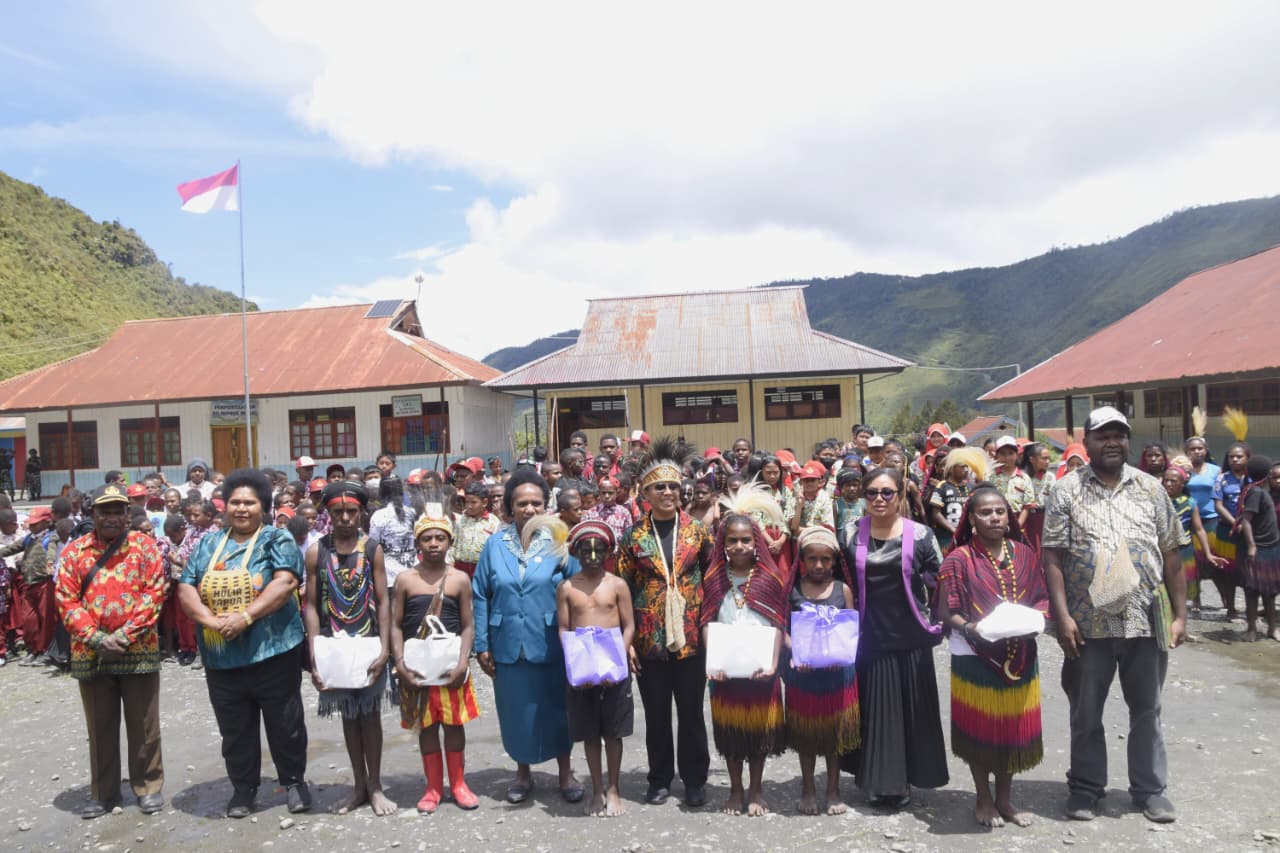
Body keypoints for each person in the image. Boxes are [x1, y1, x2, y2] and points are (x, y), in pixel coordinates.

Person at [1042, 406, 1184, 824]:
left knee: (1147, 709)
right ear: (1086, 442)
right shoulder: (1066, 490)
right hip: (1087, 623)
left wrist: (1181, 617)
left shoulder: (1151, 488)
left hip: (1146, 619)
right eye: (1102, 435)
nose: (1111, 442)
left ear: (1128, 440)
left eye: (1119, 435)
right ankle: (1086, 789)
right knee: (1086, 711)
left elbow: (1173, 553)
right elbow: (1052, 555)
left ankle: (1150, 790)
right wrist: (1062, 615)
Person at [178, 468, 312, 819]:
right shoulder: (208, 542)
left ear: (263, 506)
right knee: (234, 726)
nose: (241, 509)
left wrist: (246, 617)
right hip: (221, 653)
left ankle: (295, 782)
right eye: (235, 502)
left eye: (249, 503)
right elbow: (187, 586)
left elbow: (284, 583)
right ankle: (243, 788)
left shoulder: (276, 539)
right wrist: (209, 621)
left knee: (285, 721)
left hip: (273, 651)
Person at [938, 486, 1049, 828]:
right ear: (971, 519)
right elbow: (946, 610)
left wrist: (1038, 620)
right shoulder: (958, 559)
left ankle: (1005, 799)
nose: (994, 517)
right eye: (985, 512)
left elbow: (1040, 598)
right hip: (975, 653)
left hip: (1019, 652)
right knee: (981, 727)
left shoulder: (1024, 553)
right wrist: (971, 629)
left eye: (1000, 511)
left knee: (1011, 728)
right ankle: (983, 798)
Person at [472, 468, 583, 804]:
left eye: (536, 503)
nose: (530, 509)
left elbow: (577, 588)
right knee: (515, 709)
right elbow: (480, 593)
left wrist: (578, 640)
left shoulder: (559, 540)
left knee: (557, 708)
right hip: (507, 641)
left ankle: (566, 773)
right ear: (510, 507)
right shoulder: (494, 544)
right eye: (522, 503)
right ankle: (522, 774)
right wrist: (481, 643)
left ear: (545, 506)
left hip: (551, 640)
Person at [55, 484, 166, 819]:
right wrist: (95, 637)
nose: (113, 517)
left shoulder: (146, 548)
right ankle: (103, 793)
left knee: (144, 725)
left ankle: (148, 787)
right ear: (92, 514)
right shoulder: (74, 553)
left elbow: (155, 592)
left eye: (119, 511)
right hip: (92, 654)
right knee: (100, 727)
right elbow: (65, 598)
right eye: (105, 511)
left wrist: (125, 634)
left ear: (127, 515)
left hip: (139, 649)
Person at [840, 467, 948, 808]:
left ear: (900, 494)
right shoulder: (849, 533)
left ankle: (908, 778)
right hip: (869, 637)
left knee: (910, 710)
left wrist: (942, 620)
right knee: (876, 710)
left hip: (911, 635)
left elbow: (941, 580)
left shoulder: (921, 536)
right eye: (871, 492)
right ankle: (879, 780)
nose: (879, 499)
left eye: (887, 492)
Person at [616, 438, 714, 807]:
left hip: (691, 638)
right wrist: (625, 640)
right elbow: (622, 588)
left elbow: (712, 578)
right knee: (655, 716)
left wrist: (711, 628)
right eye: (661, 487)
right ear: (646, 493)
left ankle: (694, 780)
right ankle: (659, 779)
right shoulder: (634, 536)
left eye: (674, 486)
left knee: (691, 713)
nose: (669, 492)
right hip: (648, 640)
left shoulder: (698, 532)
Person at [304, 481, 394, 816]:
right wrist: (314, 653)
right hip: (333, 646)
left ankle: (376, 786)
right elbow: (311, 605)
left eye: (351, 511)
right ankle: (358, 786)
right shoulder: (317, 552)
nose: (344, 518)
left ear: (362, 512)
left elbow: (384, 601)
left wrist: (385, 649)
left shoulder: (372, 549)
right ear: (328, 513)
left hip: (368, 642)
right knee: (348, 714)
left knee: (370, 715)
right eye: (337, 511)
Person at [699, 492, 787, 817]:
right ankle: (735, 790)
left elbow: (778, 624)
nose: (739, 546)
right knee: (731, 731)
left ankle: (756, 789)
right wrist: (714, 662)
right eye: (732, 540)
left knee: (758, 733)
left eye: (745, 540)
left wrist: (774, 663)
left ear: (756, 542)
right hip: (724, 670)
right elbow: (706, 621)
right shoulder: (713, 578)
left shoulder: (770, 578)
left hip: (760, 669)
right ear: (723, 542)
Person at [393, 513, 480, 813]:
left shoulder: (459, 579)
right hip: (416, 667)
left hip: (450, 666)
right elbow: (394, 625)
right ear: (417, 542)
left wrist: (462, 663)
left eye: (439, 538)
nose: (433, 544)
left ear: (449, 542)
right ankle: (432, 787)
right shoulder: (406, 579)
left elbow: (468, 625)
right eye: (427, 538)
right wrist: (400, 663)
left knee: (454, 725)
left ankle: (458, 784)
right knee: (426, 727)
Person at [557, 520, 636, 817]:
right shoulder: (567, 587)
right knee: (590, 732)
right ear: (575, 552)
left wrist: (615, 659)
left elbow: (628, 626)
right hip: (583, 670)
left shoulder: (617, 585)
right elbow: (564, 629)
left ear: (608, 551)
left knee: (613, 731)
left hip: (612, 667)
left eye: (598, 549)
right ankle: (596, 790)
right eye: (585, 550)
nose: (592, 555)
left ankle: (613, 788)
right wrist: (579, 667)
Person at [786, 526, 859, 816]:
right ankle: (808, 788)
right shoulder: (793, 590)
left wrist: (841, 656)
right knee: (806, 733)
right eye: (812, 558)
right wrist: (796, 652)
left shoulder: (843, 590)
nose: (819, 565)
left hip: (837, 675)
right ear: (802, 559)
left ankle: (833, 789)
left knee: (834, 734)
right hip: (803, 674)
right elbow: (784, 630)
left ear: (835, 561)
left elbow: (852, 629)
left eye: (826, 559)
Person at [1163, 463, 1223, 616]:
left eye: (1173, 481)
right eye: (1166, 480)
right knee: (1164, 590)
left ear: (1182, 484)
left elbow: (1199, 529)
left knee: (1181, 591)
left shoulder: (1190, 503)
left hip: (1184, 551)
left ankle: (1180, 624)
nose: (1168, 484)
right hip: (1162, 551)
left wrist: (1208, 553)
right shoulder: (1158, 501)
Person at [1, 505, 57, 665]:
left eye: (36, 523)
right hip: (29, 583)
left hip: (44, 583)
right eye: (31, 523)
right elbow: (11, 549)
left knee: (46, 619)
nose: (32, 526)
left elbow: (52, 551)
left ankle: (44, 650)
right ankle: (33, 648)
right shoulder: (28, 538)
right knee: (29, 619)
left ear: (46, 522)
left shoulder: (50, 537)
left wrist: (50, 562)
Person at [1237, 455, 1280, 642]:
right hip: (1259, 548)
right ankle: (1252, 628)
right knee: (1252, 590)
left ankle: (1272, 628)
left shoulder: (1262, 491)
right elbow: (1246, 520)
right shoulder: (1255, 492)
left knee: (1270, 592)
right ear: (1267, 473)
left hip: (1271, 547)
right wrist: (1252, 545)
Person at [1210, 441, 1251, 620]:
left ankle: (1251, 611)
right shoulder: (1222, 478)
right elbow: (1218, 505)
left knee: (1249, 571)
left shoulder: (1254, 479)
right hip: (1227, 531)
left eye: (1239, 456)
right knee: (1228, 572)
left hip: (1250, 532)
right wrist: (1236, 523)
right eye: (1231, 457)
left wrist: (1247, 525)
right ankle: (1231, 608)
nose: (1235, 459)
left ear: (1247, 458)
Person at [1183, 436, 1222, 613]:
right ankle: (1196, 599)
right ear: (1187, 452)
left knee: (1213, 558)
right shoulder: (1183, 471)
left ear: (1205, 450)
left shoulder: (1215, 470)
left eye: (1200, 448)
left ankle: (1226, 601)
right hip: (1188, 519)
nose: (1196, 451)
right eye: (1192, 449)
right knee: (1194, 561)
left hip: (1211, 519)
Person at [368, 476, 417, 591]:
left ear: (381, 493)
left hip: (390, 579)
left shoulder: (378, 516)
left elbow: (372, 547)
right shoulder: (412, 512)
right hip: (414, 576)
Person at [450, 481, 501, 579]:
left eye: (473, 502)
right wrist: (450, 565)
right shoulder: (460, 520)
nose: (469, 506)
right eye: (467, 502)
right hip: (459, 568)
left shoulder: (494, 522)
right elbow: (453, 545)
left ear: (484, 502)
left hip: (482, 569)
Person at [990, 436, 1034, 532]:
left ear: (1017, 455)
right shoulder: (990, 477)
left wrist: (1017, 525)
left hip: (1018, 522)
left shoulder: (1024, 478)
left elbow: (1027, 506)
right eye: (1003, 453)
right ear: (996, 456)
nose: (1007, 457)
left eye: (1011, 453)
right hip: (995, 521)